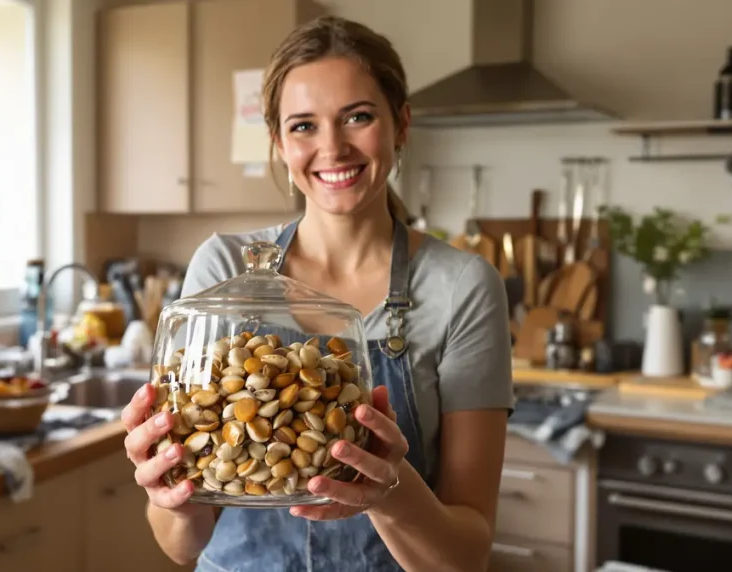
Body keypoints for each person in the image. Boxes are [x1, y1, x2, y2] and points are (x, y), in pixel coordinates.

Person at [121, 15, 514, 572]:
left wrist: (388, 490)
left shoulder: (462, 286)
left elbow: (466, 557)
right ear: (279, 144)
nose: (332, 147)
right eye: (303, 126)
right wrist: (172, 493)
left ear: (401, 124)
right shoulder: (223, 268)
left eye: (358, 116)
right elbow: (180, 546)